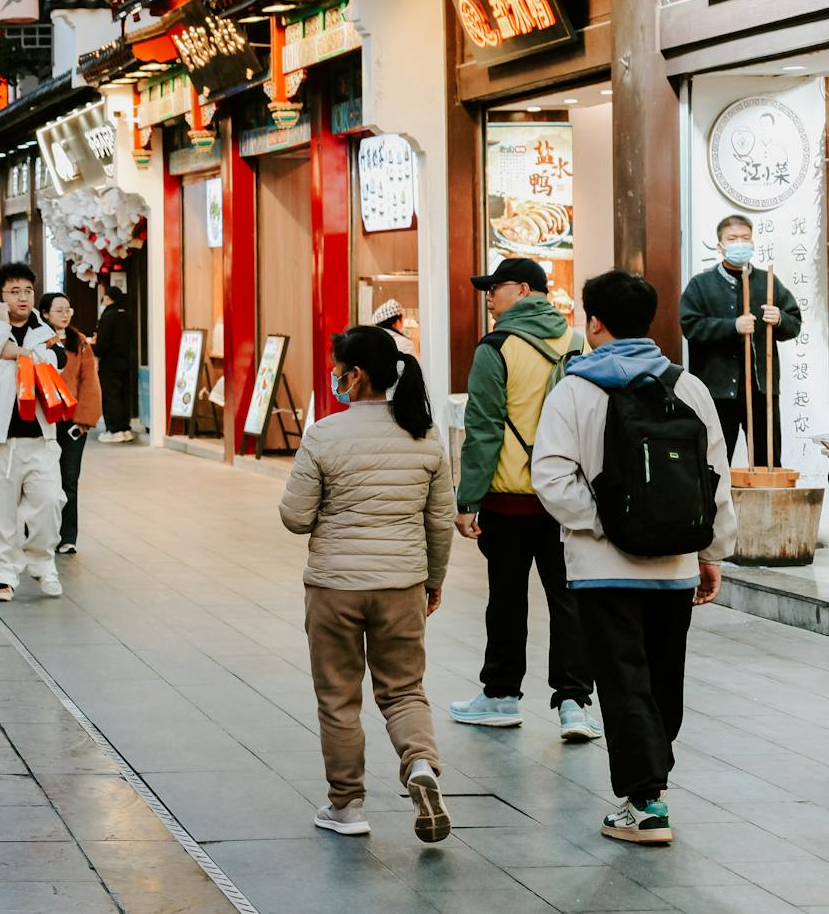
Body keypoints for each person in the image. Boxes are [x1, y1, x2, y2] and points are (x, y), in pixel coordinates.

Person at [531, 270, 736, 846]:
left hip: (602, 570)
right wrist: (709, 552)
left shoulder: (574, 389)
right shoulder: (688, 386)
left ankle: (644, 803)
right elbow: (713, 481)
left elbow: (550, 477)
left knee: (622, 681)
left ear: (593, 322)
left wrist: (608, 524)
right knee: (663, 678)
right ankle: (652, 791)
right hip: (673, 566)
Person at [279, 325, 454, 844]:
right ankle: (420, 764)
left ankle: (347, 805)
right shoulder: (425, 437)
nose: (334, 376)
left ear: (354, 376)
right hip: (402, 584)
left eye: (337, 368)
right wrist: (434, 581)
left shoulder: (324, 435)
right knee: (403, 691)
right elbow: (440, 520)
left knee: (338, 697)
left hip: (335, 586)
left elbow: (295, 516)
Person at [450, 257, 601, 739]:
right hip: (568, 501)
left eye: (494, 288)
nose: (489, 297)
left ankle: (500, 696)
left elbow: (484, 430)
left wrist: (467, 500)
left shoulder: (495, 348)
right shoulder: (578, 342)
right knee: (569, 600)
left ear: (521, 289)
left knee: (507, 599)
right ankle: (575, 703)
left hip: (509, 500)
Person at [0, 263, 67, 601]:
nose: (22, 297)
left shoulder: (45, 329)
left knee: (50, 501)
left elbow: (57, 361)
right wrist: (0, 330)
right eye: (14, 291)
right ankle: (3, 577)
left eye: (27, 291)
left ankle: (42, 563)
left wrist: (18, 352)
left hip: (40, 436)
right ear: (0, 296)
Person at [681, 214, 800, 468]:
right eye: (732, 238)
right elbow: (690, 326)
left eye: (745, 238)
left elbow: (794, 323)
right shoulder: (701, 285)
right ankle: (716, 509)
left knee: (767, 462)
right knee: (713, 464)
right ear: (720, 245)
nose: (740, 243)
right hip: (718, 392)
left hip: (761, 391)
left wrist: (780, 319)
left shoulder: (767, 282)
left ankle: (766, 507)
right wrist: (731, 326)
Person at [40, 292, 102, 556]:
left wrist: (85, 420)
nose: (65, 315)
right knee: (41, 482)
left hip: (72, 423)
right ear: (45, 314)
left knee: (69, 480)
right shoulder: (36, 341)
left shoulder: (80, 342)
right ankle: (41, 535)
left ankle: (68, 537)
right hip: (42, 421)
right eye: (58, 310)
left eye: (68, 309)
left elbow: (90, 382)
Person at [95, 286, 136, 442]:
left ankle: (114, 430)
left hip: (110, 363)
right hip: (126, 361)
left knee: (110, 395)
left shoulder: (108, 315)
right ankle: (125, 428)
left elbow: (103, 342)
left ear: (108, 298)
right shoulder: (127, 315)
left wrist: (96, 352)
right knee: (124, 394)